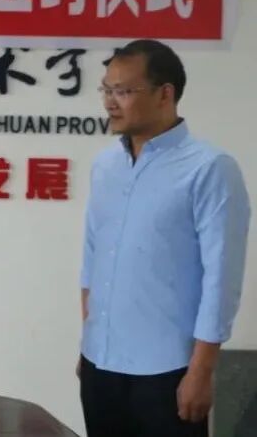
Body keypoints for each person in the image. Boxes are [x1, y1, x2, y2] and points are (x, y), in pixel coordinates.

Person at [79, 39, 250, 437]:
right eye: (106, 90)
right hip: (100, 363)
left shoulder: (209, 168)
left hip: (168, 371)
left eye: (123, 91)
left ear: (165, 94)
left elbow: (221, 278)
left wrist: (201, 371)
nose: (109, 102)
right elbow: (92, 258)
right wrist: (87, 344)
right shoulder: (105, 165)